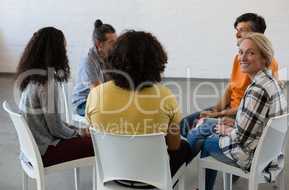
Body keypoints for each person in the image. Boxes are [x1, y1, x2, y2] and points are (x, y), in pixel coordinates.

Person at [185, 33, 287, 190]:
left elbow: (240, 138)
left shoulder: (257, 90)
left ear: (264, 58)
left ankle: (180, 171)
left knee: (204, 138)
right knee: (206, 124)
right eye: (241, 52)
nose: (242, 58)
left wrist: (225, 129)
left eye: (250, 53)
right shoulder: (271, 82)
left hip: (251, 155)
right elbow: (255, 123)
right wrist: (231, 123)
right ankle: (183, 166)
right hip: (267, 150)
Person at [85, 30, 193, 179]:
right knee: (186, 146)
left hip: (113, 179)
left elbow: (92, 139)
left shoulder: (95, 95)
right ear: (156, 63)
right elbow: (174, 146)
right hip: (153, 180)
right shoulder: (165, 97)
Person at [180, 13, 280, 137]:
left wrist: (219, 114)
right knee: (185, 123)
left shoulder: (265, 63)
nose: (237, 34)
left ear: (257, 35)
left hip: (243, 115)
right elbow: (231, 87)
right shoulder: (240, 58)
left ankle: (180, 153)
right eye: (237, 30)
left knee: (197, 129)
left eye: (242, 30)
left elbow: (253, 107)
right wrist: (216, 109)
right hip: (228, 108)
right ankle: (175, 153)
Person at [17, 27, 94, 167]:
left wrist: (76, 129)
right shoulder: (47, 83)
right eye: (64, 48)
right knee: (97, 144)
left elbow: (54, 123)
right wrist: (78, 133)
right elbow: (56, 129)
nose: (66, 51)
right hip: (44, 152)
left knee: (87, 136)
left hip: (31, 151)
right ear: (55, 52)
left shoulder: (31, 76)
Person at [72, 19, 117, 116]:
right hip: (83, 103)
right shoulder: (89, 61)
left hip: (99, 100)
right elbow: (97, 91)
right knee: (113, 113)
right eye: (111, 42)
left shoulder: (109, 57)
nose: (116, 46)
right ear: (99, 44)